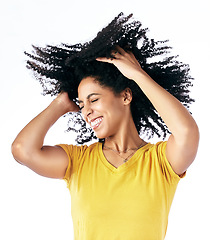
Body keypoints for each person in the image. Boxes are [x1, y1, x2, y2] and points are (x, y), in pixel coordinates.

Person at [12, 13, 199, 240]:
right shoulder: (79, 161)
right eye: (81, 104)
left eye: (94, 99)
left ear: (125, 96)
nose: (86, 111)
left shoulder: (159, 162)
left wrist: (137, 75)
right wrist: (59, 105)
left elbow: (187, 132)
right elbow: (23, 149)